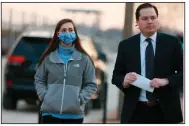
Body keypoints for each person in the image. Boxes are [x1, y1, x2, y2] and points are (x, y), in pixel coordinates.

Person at [112, 3, 183, 124]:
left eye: (153, 17)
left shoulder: (172, 43)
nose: (150, 21)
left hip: (166, 111)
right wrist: (125, 81)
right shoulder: (126, 45)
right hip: (135, 111)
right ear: (137, 22)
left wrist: (166, 81)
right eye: (145, 19)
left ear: (157, 19)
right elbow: (116, 77)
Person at [34, 18, 97, 124]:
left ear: (75, 33)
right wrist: (45, 96)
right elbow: (39, 79)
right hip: (49, 115)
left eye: (70, 30)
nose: (67, 33)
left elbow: (91, 84)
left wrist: (80, 99)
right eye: (63, 30)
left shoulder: (84, 59)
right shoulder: (48, 58)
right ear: (58, 34)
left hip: (74, 116)